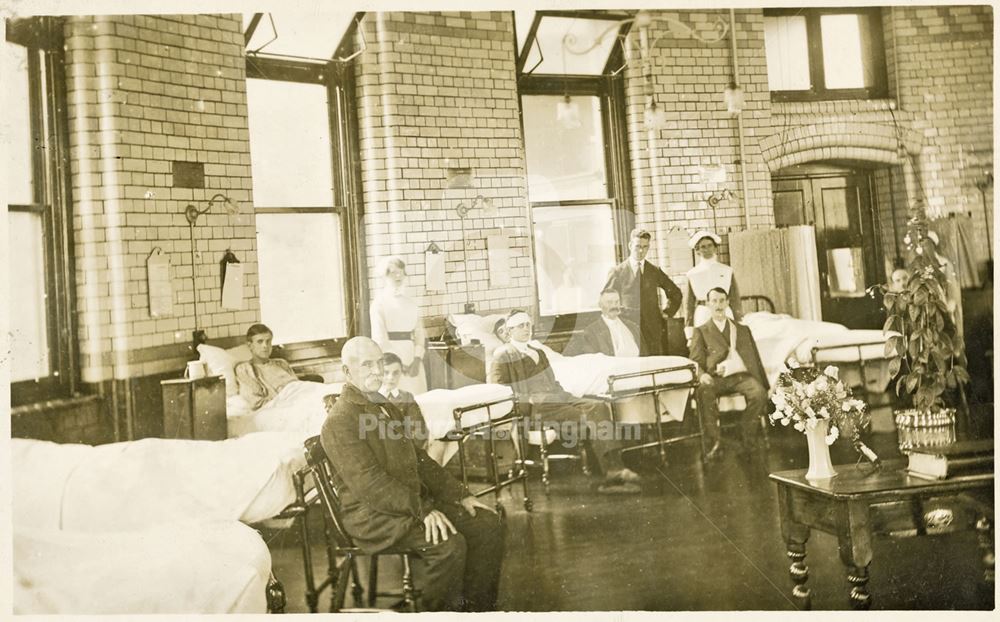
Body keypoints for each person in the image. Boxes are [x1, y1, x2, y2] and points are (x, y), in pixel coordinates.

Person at [321, 336, 505, 611]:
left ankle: (476, 611)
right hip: (372, 515)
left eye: (379, 363)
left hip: (405, 504)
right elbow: (370, 484)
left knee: (487, 525)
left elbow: (418, 460)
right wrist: (424, 509)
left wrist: (461, 495)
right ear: (347, 372)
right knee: (448, 546)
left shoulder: (382, 405)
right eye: (366, 365)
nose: (376, 370)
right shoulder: (340, 420)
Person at [488, 309, 641, 494]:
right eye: (521, 326)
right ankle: (613, 472)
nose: (526, 329)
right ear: (510, 331)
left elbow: (553, 381)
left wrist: (566, 396)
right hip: (536, 407)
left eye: (528, 325)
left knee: (599, 406)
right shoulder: (503, 354)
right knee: (589, 415)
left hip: (558, 397)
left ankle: (616, 467)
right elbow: (497, 389)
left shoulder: (538, 352)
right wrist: (524, 400)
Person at [689, 288, 769, 460]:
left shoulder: (741, 330)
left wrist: (761, 380)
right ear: (708, 304)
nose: (718, 305)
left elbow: (754, 358)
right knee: (704, 391)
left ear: (727, 303)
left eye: (722, 300)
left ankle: (746, 435)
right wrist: (702, 374)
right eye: (714, 301)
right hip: (714, 378)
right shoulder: (701, 331)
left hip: (739, 377)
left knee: (759, 393)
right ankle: (714, 442)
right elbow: (695, 361)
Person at [603, 228, 683, 356]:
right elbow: (606, 301)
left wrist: (667, 312)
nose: (641, 251)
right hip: (627, 328)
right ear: (630, 245)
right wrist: (617, 318)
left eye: (645, 247)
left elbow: (676, 293)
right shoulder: (618, 272)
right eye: (637, 246)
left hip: (653, 329)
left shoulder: (654, 271)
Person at [371, 256, 428, 395]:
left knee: (417, 397)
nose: (398, 276)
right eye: (392, 272)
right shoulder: (379, 303)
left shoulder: (411, 303)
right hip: (391, 361)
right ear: (384, 277)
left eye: (401, 272)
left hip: (412, 358)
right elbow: (380, 338)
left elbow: (420, 333)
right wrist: (398, 365)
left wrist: (417, 359)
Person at [684, 230, 742, 339]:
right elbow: (688, 304)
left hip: (724, 312)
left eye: (710, 246)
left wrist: (739, 321)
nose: (707, 249)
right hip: (703, 314)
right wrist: (689, 331)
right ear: (697, 251)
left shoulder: (727, 271)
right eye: (703, 247)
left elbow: (735, 299)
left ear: (715, 248)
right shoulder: (692, 274)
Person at [234, 323, 300, 410]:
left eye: (268, 341)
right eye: (260, 342)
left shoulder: (281, 363)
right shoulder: (245, 369)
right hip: (285, 406)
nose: (265, 346)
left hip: (301, 397)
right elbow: (256, 403)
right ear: (250, 346)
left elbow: (299, 386)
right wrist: (289, 403)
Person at [380, 352, 429, 447]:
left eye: (396, 373)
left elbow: (419, 430)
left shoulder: (406, 397)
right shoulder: (369, 397)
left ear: (401, 373)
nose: (391, 378)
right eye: (386, 373)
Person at [576, 289, 645, 356]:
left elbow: (645, 355)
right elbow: (593, 361)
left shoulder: (633, 327)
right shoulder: (591, 331)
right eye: (609, 302)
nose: (614, 306)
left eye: (617, 302)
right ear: (600, 305)